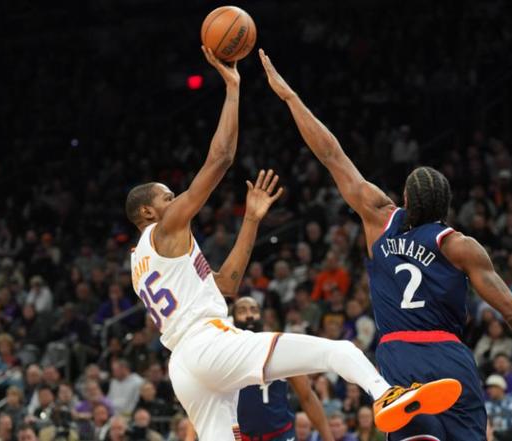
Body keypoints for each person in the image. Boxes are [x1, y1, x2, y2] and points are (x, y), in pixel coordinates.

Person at [258, 48, 512, 441]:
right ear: (446, 206)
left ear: (405, 198)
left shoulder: (379, 219)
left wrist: (290, 97)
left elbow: (331, 154)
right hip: (449, 356)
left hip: (399, 356)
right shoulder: (459, 246)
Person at [126, 47, 457, 441]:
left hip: (184, 365)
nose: (175, 200)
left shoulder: (139, 262)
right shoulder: (164, 229)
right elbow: (221, 159)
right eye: (167, 197)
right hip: (209, 343)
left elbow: (226, 285)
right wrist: (232, 87)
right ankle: (385, 394)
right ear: (147, 212)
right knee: (338, 352)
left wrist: (251, 219)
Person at [232, 297, 333, 441]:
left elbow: (307, 397)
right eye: (242, 311)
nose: (249, 315)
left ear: (262, 316)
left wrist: (328, 438)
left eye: (254, 310)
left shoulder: (280, 347)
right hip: (241, 436)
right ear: (233, 319)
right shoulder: (225, 352)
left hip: (280, 435)